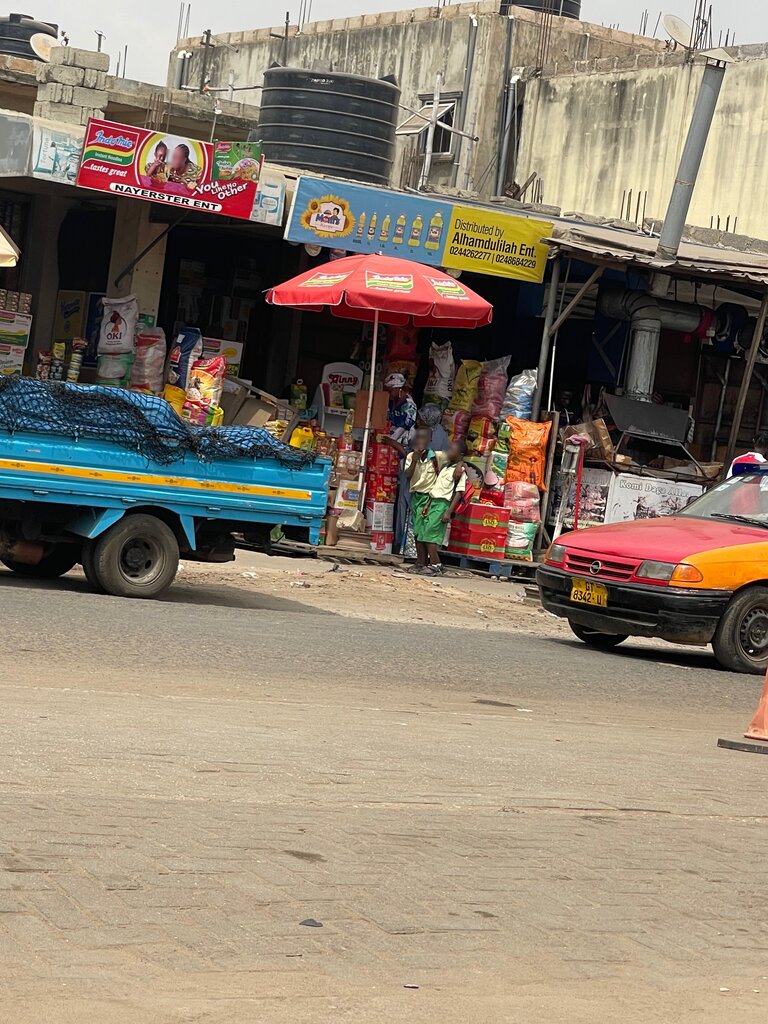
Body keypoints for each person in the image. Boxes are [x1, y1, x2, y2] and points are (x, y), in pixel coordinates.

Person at [414, 439, 468, 576]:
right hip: (431, 502)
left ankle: (436, 564)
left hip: (442, 505)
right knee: (422, 534)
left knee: (431, 536)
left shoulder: (459, 471)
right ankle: (423, 563)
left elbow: (459, 492)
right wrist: (427, 504)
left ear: (460, 455)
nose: (447, 452)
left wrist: (448, 512)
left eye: (451, 450)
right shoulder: (446, 467)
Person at [403, 425, 441, 573]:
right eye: (418, 437)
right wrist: (415, 460)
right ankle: (421, 562)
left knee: (427, 531)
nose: (420, 440)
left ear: (430, 439)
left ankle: (433, 564)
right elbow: (407, 475)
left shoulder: (436, 457)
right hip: (417, 496)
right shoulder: (411, 456)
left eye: (423, 437)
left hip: (430, 498)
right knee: (418, 531)